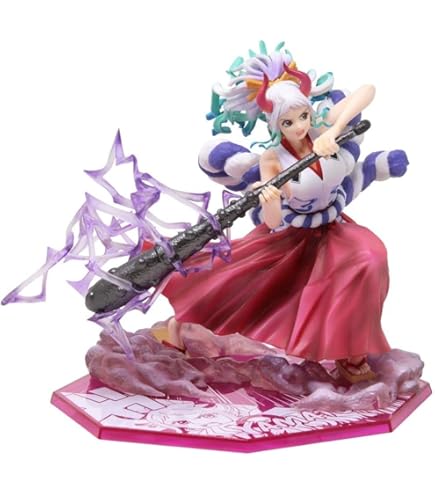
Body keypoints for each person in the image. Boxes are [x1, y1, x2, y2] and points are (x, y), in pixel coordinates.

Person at [161, 44, 408, 383]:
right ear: (276, 125)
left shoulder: (323, 129)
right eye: (288, 122)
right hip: (290, 240)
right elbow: (274, 221)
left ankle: (353, 353)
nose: (299, 126)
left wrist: (333, 132)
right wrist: (270, 198)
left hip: (333, 228)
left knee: (371, 257)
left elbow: (367, 91)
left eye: (303, 116)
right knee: (233, 288)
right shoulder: (273, 159)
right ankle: (178, 328)